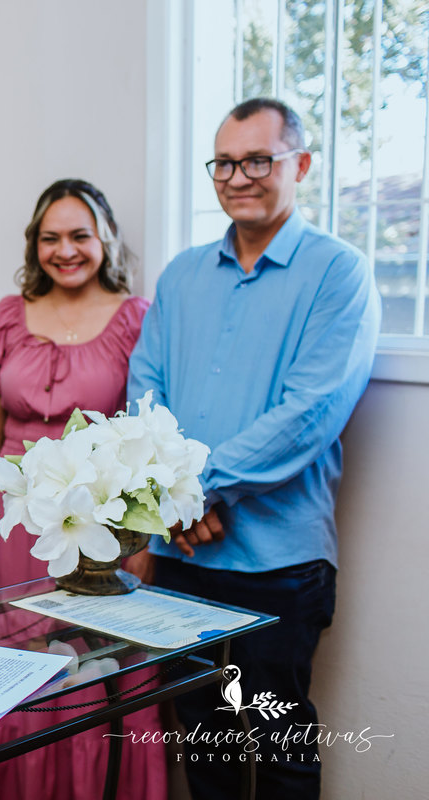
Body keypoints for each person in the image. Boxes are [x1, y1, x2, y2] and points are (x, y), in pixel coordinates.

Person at [128, 97, 380, 799]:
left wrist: (193, 490)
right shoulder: (180, 276)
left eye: (258, 160)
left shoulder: (340, 273)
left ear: (299, 164)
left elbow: (311, 411)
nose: (239, 177)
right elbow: (144, 391)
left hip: (280, 559)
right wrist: (170, 498)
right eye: (225, 163)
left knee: (281, 745)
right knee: (202, 742)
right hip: (182, 556)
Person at [0, 180, 163, 800]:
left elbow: (144, 438)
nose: (65, 250)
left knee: (95, 661)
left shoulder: (136, 318)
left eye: (79, 236)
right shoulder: (7, 315)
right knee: (18, 658)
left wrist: (143, 538)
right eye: (50, 238)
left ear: (105, 241)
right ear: (34, 244)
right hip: (15, 514)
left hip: (99, 520)